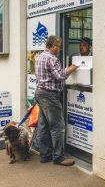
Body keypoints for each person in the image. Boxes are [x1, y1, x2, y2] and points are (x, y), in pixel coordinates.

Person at [34, 35, 78, 166]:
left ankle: (44, 155)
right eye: (58, 47)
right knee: (57, 126)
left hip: (40, 93)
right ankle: (59, 157)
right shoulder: (52, 58)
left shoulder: (40, 57)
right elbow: (60, 76)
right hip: (49, 95)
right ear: (53, 46)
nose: (59, 49)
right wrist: (72, 68)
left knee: (43, 125)